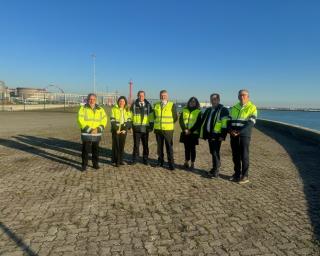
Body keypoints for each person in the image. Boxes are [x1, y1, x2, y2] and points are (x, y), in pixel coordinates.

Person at [229, 89, 258, 184]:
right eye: (240, 95)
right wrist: (230, 130)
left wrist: (240, 132)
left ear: (248, 97)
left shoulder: (252, 107)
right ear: (238, 97)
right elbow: (228, 121)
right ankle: (237, 174)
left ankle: (245, 176)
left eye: (244, 95)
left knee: (244, 155)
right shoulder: (234, 107)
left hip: (244, 135)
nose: (242, 97)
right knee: (235, 155)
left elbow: (251, 123)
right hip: (233, 135)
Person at [200, 93, 229, 178]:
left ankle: (216, 171)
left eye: (215, 99)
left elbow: (224, 124)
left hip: (217, 135)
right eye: (212, 99)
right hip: (209, 135)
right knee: (212, 152)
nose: (213, 101)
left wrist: (222, 136)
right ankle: (214, 167)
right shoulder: (209, 109)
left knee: (215, 152)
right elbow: (203, 120)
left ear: (219, 100)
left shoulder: (223, 110)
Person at [77, 93, 107, 171]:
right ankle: (84, 165)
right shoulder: (83, 108)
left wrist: (98, 129)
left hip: (96, 132)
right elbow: (80, 120)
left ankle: (95, 164)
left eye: (93, 99)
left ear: (96, 100)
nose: (92, 100)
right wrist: (90, 130)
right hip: (86, 132)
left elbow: (104, 120)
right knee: (85, 150)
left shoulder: (100, 109)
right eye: (90, 99)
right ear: (87, 99)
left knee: (95, 150)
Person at [153, 90, 178, 170]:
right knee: (159, 148)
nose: (163, 97)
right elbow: (154, 116)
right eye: (162, 95)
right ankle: (160, 162)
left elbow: (175, 117)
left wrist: (167, 124)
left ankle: (171, 164)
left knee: (169, 147)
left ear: (167, 96)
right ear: (160, 96)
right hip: (158, 129)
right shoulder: (156, 105)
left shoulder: (172, 105)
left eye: (164, 95)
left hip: (168, 130)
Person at [130, 90, 154, 165]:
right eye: (139, 95)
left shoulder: (148, 105)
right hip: (136, 128)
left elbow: (151, 117)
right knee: (136, 145)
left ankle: (145, 159)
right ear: (137, 96)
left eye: (142, 96)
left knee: (145, 145)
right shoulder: (134, 105)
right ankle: (135, 159)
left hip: (145, 128)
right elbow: (130, 116)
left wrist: (151, 127)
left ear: (144, 96)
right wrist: (130, 126)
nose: (141, 97)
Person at [179, 97, 202, 170]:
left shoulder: (198, 111)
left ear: (196, 103)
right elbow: (181, 121)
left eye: (194, 101)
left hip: (193, 133)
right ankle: (186, 162)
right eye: (191, 101)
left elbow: (198, 123)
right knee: (186, 148)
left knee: (192, 149)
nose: (192, 102)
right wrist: (184, 129)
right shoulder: (184, 110)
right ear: (189, 102)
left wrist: (190, 130)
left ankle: (192, 163)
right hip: (185, 132)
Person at [110, 96, 132, 167]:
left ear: (125, 102)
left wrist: (125, 129)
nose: (121, 102)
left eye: (123, 101)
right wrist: (116, 129)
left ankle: (121, 160)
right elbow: (112, 120)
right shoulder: (114, 109)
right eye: (120, 101)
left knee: (122, 145)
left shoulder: (127, 110)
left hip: (123, 129)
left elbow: (129, 120)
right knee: (116, 145)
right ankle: (116, 161)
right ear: (118, 102)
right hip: (116, 129)